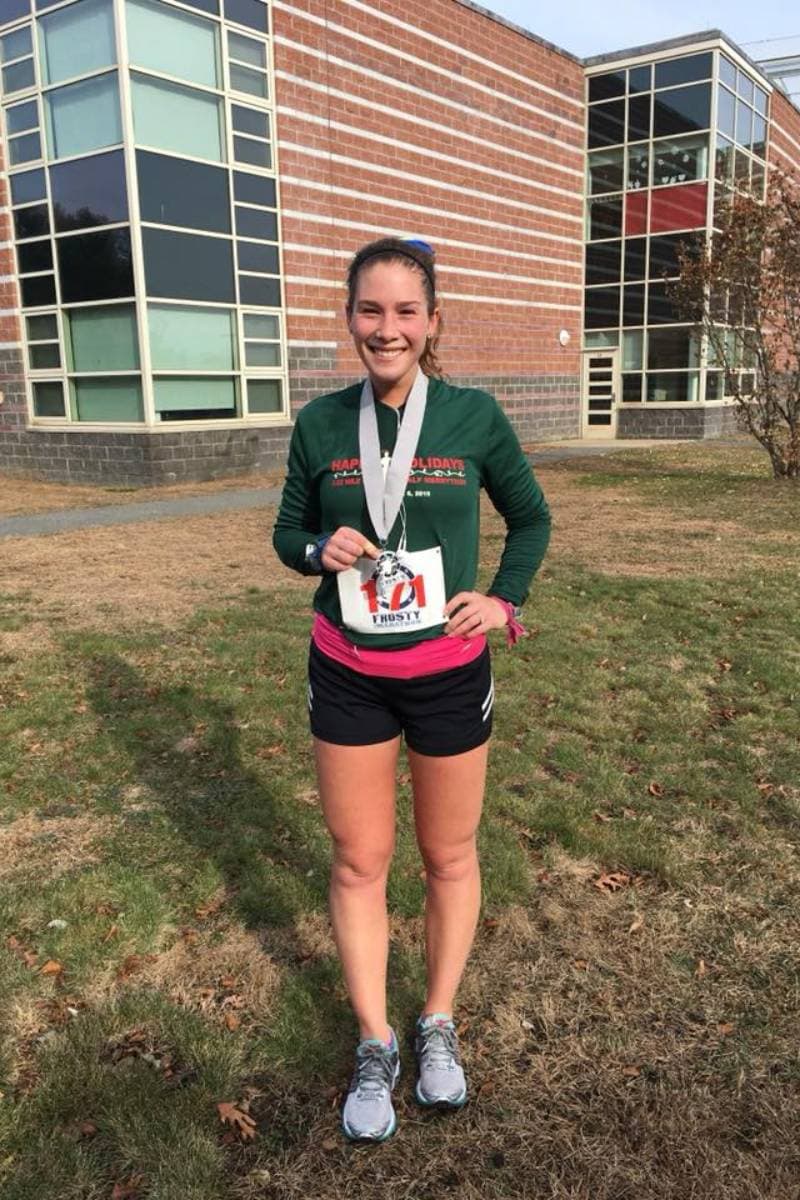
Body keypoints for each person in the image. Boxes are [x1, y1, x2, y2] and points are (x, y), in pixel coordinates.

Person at [273, 236, 550, 1142]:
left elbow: (532, 517)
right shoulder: (319, 424)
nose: (384, 329)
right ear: (349, 317)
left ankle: (435, 1021)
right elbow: (287, 532)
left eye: (403, 312)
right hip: (348, 673)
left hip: (446, 678)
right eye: (369, 310)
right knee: (359, 861)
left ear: (432, 323)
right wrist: (319, 549)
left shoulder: (473, 416)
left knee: (450, 857)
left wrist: (502, 601)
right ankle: (373, 1038)